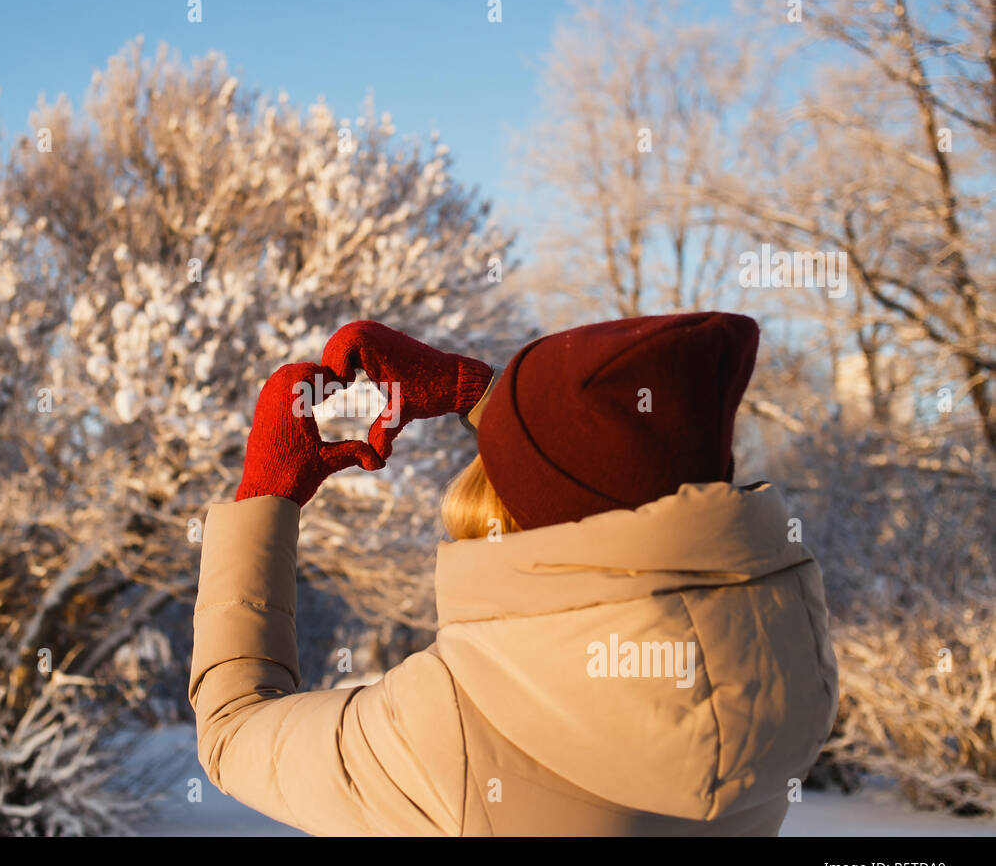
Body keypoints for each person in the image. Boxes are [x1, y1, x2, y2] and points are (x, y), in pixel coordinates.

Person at [188, 312, 840, 836]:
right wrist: (483, 394)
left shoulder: (457, 732)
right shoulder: (777, 659)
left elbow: (234, 729)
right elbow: (614, 488)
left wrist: (265, 497)